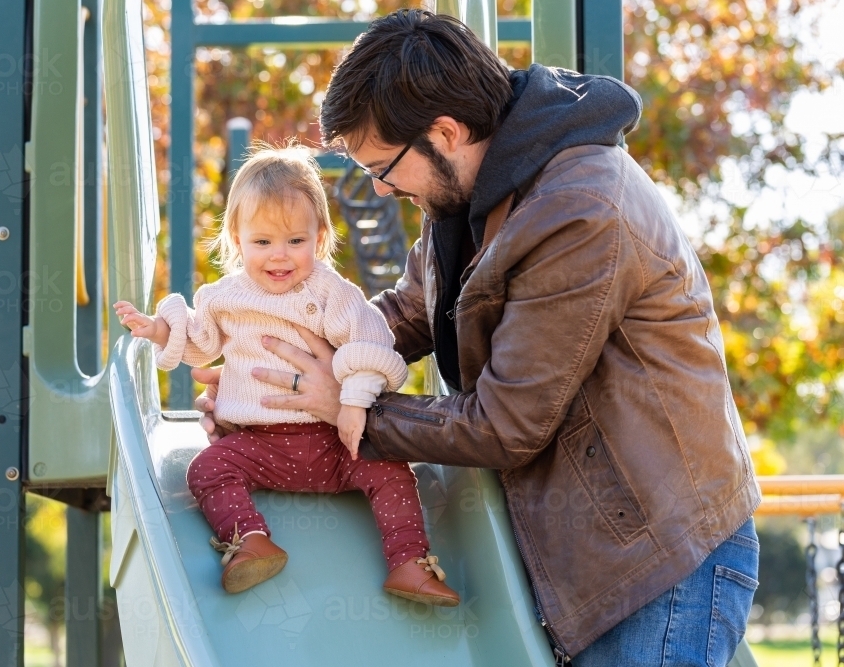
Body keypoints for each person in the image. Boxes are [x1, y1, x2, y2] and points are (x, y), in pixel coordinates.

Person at [194, 10, 761, 666]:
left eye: (384, 166)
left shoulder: (580, 210)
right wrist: (272, 383)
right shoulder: (470, 199)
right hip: (600, 552)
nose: (381, 188)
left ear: (445, 131)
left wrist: (345, 405)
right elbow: (401, 316)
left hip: (656, 558)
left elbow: (504, 423)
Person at [113, 145, 459, 606]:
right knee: (207, 469)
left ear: (318, 238)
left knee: (392, 470)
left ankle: (409, 562)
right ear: (236, 239)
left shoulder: (331, 293)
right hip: (261, 446)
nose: (279, 257)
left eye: (295, 241)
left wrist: (354, 402)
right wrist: (159, 330)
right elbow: (200, 341)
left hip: (337, 440)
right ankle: (250, 540)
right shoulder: (224, 298)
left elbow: (369, 343)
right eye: (262, 242)